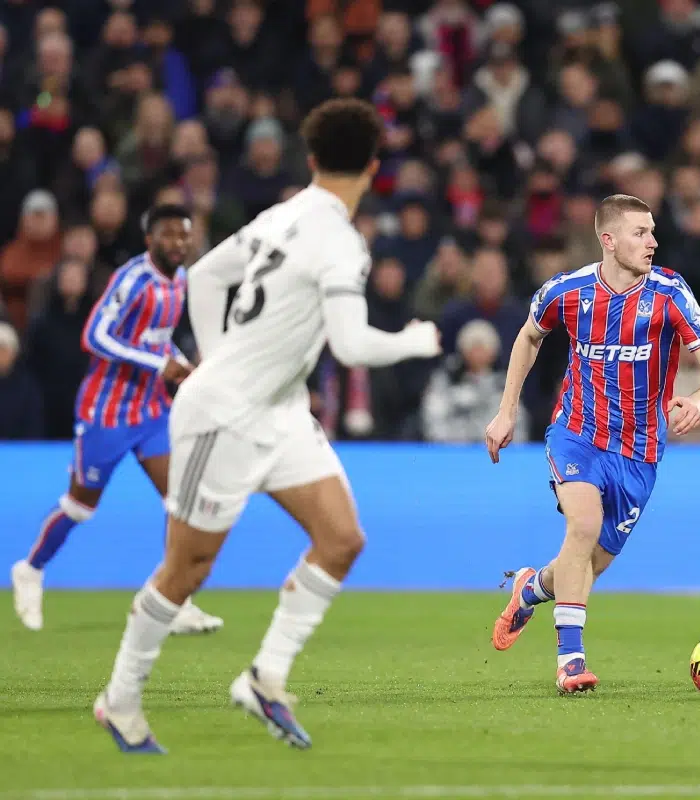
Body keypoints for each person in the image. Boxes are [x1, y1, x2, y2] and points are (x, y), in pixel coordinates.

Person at [92, 98, 442, 754]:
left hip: (279, 412)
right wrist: (415, 340)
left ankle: (265, 678)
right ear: (374, 166)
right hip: (224, 415)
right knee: (187, 569)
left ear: (310, 158)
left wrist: (219, 354)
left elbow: (205, 276)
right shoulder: (341, 242)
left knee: (340, 539)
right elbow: (352, 344)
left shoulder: (281, 215)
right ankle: (120, 699)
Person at [484, 193, 700, 694]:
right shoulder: (566, 291)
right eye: (641, 233)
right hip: (577, 434)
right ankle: (570, 662)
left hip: (640, 452)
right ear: (608, 239)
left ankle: (530, 588)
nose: (652, 242)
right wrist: (506, 410)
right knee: (583, 525)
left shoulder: (670, 293)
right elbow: (528, 337)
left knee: (589, 563)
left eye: (653, 232)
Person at [10, 205, 223, 636]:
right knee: (80, 506)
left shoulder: (179, 280)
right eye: (168, 235)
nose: (178, 243)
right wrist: (158, 364)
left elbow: (155, 339)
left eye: (184, 235)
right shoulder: (132, 280)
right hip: (107, 410)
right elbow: (95, 335)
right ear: (149, 240)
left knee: (179, 499)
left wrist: (178, 363)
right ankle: (30, 569)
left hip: (150, 409)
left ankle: (172, 600)